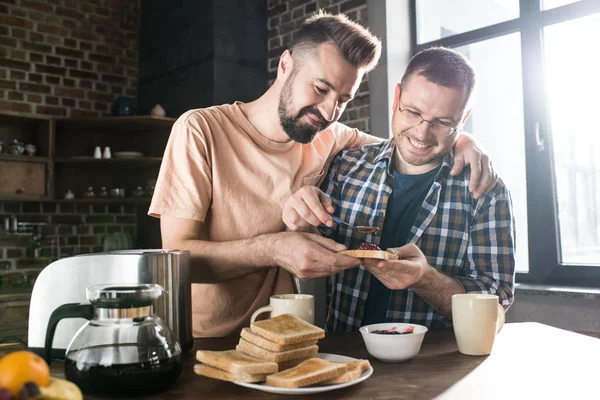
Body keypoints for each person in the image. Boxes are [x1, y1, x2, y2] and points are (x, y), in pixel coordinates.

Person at [149, 12, 496, 338]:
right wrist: (273, 249)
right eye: (320, 88)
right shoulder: (200, 130)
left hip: (287, 338)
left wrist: (462, 138)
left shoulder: (329, 137)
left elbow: (410, 142)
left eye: (343, 99)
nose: (330, 111)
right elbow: (177, 261)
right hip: (204, 340)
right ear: (286, 65)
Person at [282, 47, 515, 331]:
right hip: (346, 358)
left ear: (463, 120)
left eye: (442, 122)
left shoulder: (487, 191)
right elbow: (316, 243)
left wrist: (425, 279)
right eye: (413, 112)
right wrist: (302, 218)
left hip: (435, 369)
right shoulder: (347, 165)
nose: (421, 133)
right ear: (396, 98)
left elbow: (496, 302)